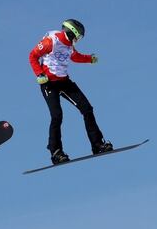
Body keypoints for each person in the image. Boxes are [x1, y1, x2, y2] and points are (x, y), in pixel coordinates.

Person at [28, 18, 113, 164]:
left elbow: (75, 57)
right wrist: (39, 74)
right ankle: (56, 152)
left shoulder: (69, 46)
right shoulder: (51, 41)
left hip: (64, 82)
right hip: (49, 83)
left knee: (87, 109)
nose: (78, 40)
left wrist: (90, 59)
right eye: (78, 37)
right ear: (71, 32)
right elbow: (33, 56)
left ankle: (97, 144)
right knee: (57, 116)